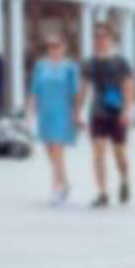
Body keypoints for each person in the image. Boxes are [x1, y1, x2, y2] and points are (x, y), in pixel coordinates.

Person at [77, 21, 134, 208]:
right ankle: (102, 192)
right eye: (96, 37)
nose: (99, 40)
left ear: (111, 39)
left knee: (119, 155)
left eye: (103, 36)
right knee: (98, 153)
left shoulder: (121, 62)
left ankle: (124, 179)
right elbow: (83, 89)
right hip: (98, 112)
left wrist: (126, 111)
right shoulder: (89, 63)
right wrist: (77, 112)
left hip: (117, 112)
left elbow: (128, 88)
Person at [27, 34, 79, 205]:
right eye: (50, 46)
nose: (54, 49)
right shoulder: (41, 66)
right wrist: (30, 113)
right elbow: (34, 90)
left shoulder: (70, 67)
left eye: (57, 46)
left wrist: (76, 114)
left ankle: (55, 189)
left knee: (58, 150)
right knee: (50, 151)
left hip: (62, 113)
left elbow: (75, 93)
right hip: (45, 113)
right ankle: (66, 183)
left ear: (64, 47)